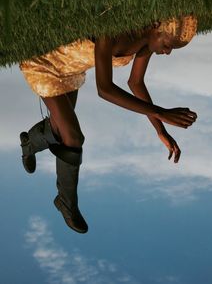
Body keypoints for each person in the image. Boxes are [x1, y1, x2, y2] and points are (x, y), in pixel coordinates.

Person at [19, 14, 198, 233]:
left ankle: (28, 144)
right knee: (73, 137)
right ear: (155, 27)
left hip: (70, 72)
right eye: (168, 45)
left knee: (59, 131)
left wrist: (160, 130)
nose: (167, 52)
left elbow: (136, 83)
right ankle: (65, 202)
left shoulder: (145, 45)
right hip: (46, 65)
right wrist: (161, 112)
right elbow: (104, 88)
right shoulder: (113, 32)